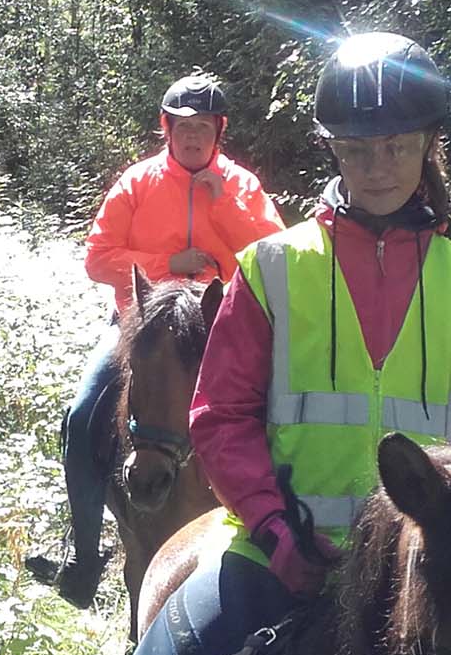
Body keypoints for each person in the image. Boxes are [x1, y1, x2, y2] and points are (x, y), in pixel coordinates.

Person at [90, 33, 451, 655]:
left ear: (428, 144)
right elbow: (220, 418)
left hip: (421, 578)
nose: (379, 167)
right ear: (333, 151)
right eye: (358, 151)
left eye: (396, 146)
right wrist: (278, 531)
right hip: (271, 560)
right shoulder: (273, 270)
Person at [26, 74, 285, 608]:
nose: (193, 138)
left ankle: (284, 543)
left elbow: (275, 261)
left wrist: (225, 210)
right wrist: (168, 266)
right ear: (166, 129)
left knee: (288, 411)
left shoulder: (241, 187)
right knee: (81, 416)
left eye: (203, 129)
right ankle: (84, 553)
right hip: (142, 328)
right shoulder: (137, 183)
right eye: (183, 127)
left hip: (224, 328)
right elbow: (98, 258)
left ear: (219, 131)